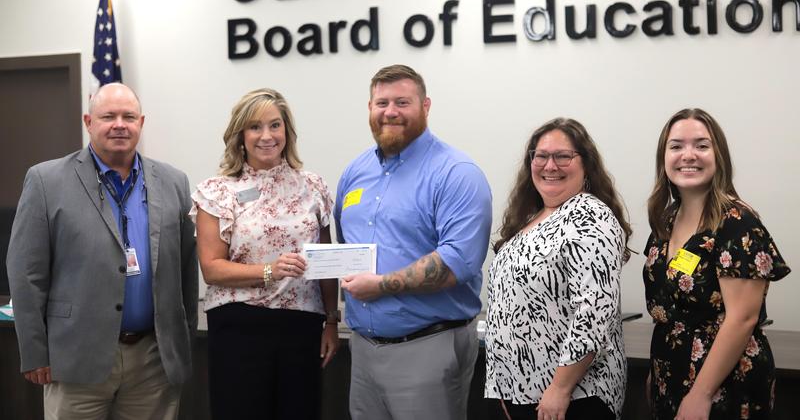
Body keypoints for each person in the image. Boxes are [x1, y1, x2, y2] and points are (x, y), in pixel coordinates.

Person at [7, 82, 197, 420]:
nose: (119, 124)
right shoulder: (45, 181)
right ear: (88, 121)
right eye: (108, 116)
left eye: (129, 116)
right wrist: (34, 352)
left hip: (153, 362)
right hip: (75, 359)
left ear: (141, 122)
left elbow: (185, 269)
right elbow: (26, 273)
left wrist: (181, 345)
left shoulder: (174, 182)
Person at [335, 64, 492, 420]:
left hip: (428, 346)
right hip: (362, 348)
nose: (390, 112)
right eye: (382, 103)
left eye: (402, 102)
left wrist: (382, 286)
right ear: (370, 108)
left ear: (426, 106)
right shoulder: (355, 171)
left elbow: (458, 261)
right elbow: (346, 240)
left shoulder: (456, 173)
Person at [191, 88, 339, 420]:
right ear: (240, 135)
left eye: (275, 125)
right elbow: (212, 269)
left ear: (287, 131)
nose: (267, 135)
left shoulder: (313, 186)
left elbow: (325, 261)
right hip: (239, 328)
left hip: (302, 327)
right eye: (255, 127)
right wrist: (269, 270)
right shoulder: (216, 191)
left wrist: (331, 321)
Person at [643, 108, 790, 420]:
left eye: (701, 145)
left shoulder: (737, 221)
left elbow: (743, 318)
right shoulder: (666, 220)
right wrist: (657, 373)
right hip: (669, 375)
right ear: (663, 157)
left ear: (718, 155)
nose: (688, 155)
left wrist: (701, 394)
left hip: (723, 385)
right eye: (676, 146)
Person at [484, 117, 631, 420]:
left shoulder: (589, 217)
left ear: (585, 164)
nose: (550, 166)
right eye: (541, 155)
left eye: (563, 156)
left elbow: (594, 312)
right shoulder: (532, 219)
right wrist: (503, 385)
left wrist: (560, 389)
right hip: (522, 393)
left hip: (572, 398)